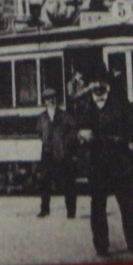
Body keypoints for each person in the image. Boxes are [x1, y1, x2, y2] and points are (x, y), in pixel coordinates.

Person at [75, 70, 133, 257]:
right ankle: (101, 246)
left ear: (107, 84)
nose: (97, 86)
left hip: (119, 162)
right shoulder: (84, 105)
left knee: (127, 205)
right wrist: (81, 135)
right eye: (94, 82)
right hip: (97, 163)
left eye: (101, 82)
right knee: (97, 206)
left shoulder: (120, 103)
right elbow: (76, 128)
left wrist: (131, 142)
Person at [36, 88, 77, 219]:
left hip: (63, 153)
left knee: (68, 182)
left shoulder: (65, 115)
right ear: (45, 102)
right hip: (47, 153)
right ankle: (45, 209)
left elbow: (72, 132)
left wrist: (65, 144)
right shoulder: (42, 118)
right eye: (48, 99)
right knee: (44, 182)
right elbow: (39, 132)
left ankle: (71, 211)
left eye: (53, 98)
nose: (52, 101)